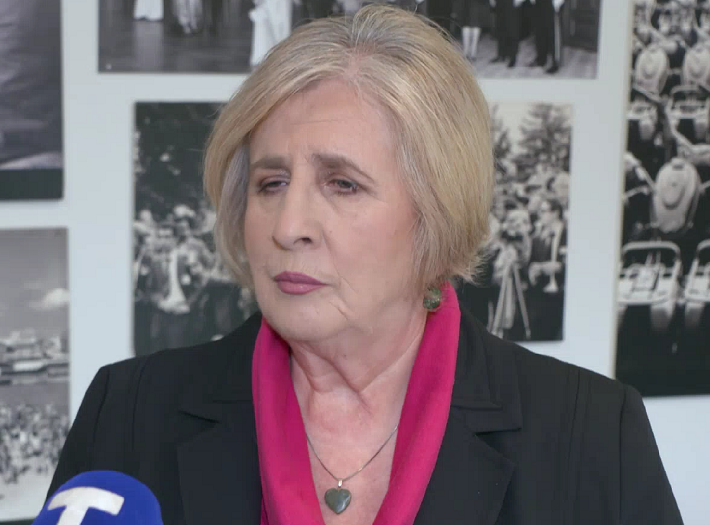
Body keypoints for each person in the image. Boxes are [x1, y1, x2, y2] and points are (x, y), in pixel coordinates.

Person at [47, 6, 683, 525]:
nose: (288, 226)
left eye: (342, 184)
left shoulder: (591, 437)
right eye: (271, 183)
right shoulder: (128, 416)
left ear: (435, 212)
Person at [529, 0, 565, 74]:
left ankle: (556, 62)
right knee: (539, 32)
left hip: (551, 3)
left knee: (553, 33)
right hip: (538, 4)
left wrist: (557, 3)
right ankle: (541, 59)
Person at [490, 0, 525, 67]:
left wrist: (518, 1)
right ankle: (501, 55)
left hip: (511, 4)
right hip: (499, 4)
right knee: (500, 30)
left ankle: (513, 57)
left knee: (512, 31)